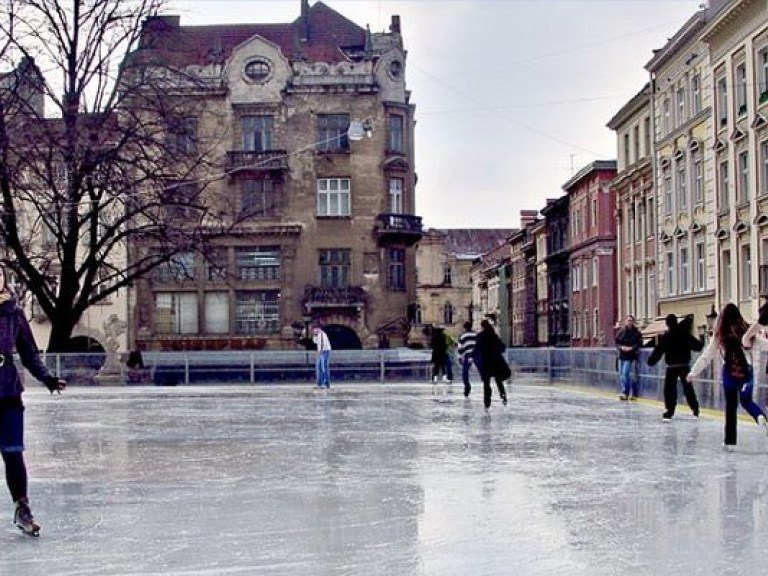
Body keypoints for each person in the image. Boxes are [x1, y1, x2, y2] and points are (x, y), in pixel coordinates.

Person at [0, 264, 66, 535]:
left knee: (13, 453)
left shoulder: (13, 312)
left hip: (7, 391)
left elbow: (28, 352)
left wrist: (47, 378)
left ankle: (22, 509)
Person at [688, 303, 768, 450]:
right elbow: (764, 345)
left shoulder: (720, 336)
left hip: (730, 373)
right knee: (747, 401)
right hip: (746, 372)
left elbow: (706, 356)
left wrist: (693, 372)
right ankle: (759, 416)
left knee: (731, 407)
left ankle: (730, 442)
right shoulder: (747, 332)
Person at [647, 314, 703, 421]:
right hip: (684, 366)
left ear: (667, 324)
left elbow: (658, 351)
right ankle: (695, 408)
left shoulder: (667, 337)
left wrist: (651, 361)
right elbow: (697, 346)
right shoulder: (684, 334)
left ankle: (670, 410)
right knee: (688, 388)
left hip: (671, 367)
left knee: (669, 390)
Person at [472, 319, 511, 410]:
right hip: (496, 361)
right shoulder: (494, 335)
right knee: (499, 381)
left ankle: (487, 402)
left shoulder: (480, 336)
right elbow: (502, 348)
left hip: (486, 362)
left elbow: (477, 348)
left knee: (486, 383)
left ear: (482, 327)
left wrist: (472, 356)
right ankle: (503, 397)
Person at [615, 314, 643, 401]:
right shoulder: (621, 332)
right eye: (628, 320)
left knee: (625, 373)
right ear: (625, 322)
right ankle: (625, 392)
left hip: (630, 356)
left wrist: (631, 348)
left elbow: (639, 343)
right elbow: (617, 342)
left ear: (633, 322)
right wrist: (621, 347)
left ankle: (625, 392)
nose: (629, 322)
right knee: (621, 375)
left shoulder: (637, 332)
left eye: (631, 321)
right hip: (621, 355)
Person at [457, 321, 477, 397]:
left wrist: (459, 357)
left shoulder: (462, 336)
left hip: (467, 354)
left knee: (465, 372)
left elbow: (460, 348)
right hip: (476, 354)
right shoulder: (476, 334)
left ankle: (467, 386)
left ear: (464, 327)